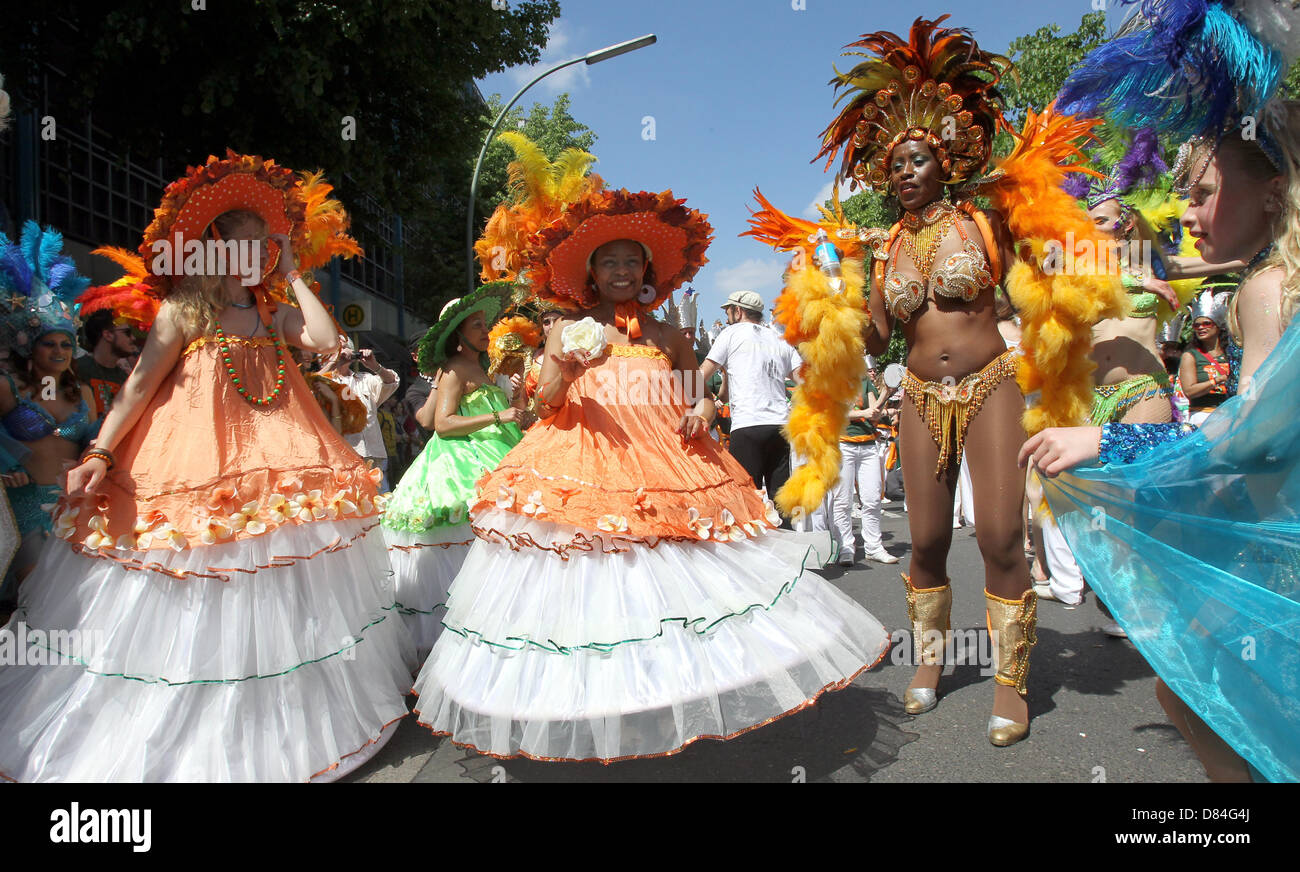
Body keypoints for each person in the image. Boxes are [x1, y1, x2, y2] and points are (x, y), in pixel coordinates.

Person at [411, 184, 889, 761]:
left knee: (677, 578)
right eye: (609, 261)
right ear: (591, 270)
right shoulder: (567, 329)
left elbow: (704, 396)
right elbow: (547, 404)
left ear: (647, 268)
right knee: (598, 582)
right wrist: (565, 362)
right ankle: (601, 701)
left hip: (669, 461)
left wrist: (700, 411)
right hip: (584, 460)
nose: (620, 270)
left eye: (630, 260)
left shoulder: (668, 335)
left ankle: (671, 691)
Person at [0, 154, 412, 782]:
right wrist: (102, 455)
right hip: (188, 473)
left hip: (281, 474)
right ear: (212, 249)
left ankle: (278, 732)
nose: (257, 257)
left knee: (278, 600)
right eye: (244, 245)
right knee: (191, 599)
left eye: (265, 247)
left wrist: (296, 271)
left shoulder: (274, 313)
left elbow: (328, 343)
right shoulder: (183, 313)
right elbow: (136, 391)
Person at [784, 16, 1128, 745]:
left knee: (1002, 535)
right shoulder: (880, 252)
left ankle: (1010, 681)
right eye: (894, 163)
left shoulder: (984, 223)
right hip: (913, 394)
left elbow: (1045, 274)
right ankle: (929, 662)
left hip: (989, 384)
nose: (904, 172)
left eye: (916, 159)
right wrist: (830, 309)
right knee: (929, 538)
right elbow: (878, 336)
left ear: (944, 161)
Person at [1039, 0, 1300, 779]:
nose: (1184, 214)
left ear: (1272, 192)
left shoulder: (1267, 286)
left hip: (1264, 522)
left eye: (1202, 192)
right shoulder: (1269, 274)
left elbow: (1250, 437)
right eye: (1181, 194)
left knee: (1202, 690)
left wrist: (1112, 444)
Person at [381, 286, 526, 658]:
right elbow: (442, 424)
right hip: (460, 465)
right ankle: (465, 639)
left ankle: (494, 627)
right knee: (467, 547)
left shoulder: (481, 367)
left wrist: (519, 403)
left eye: (484, 324)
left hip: (495, 454)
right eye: (475, 324)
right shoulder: (456, 368)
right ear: (457, 334)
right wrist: (499, 414)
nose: (484, 330)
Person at [0, 223, 97, 601]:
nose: (59, 352)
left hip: (71, 512)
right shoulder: (8, 387)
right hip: (22, 513)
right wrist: (5, 464)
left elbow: (93, 445)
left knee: (78, 601)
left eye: (66, 345)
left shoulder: (83, 393)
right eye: (49, 344)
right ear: (31, 349)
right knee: (36, 597)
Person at [699, 291, 801, 513]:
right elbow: (805, 378)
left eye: (728, 311)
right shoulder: (778, 338)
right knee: (780, 500)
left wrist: (670, 388)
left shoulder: (731, 333)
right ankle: (787, 544)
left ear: (739, 311)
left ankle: (754, 545)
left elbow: (701, 375)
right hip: (780, 426)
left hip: (748, 425)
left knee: (747, 500)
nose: (727, 317)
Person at [815, 370, 899, 567]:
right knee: (842, 501)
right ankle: (845, 547)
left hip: (868, 445)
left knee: (872, 498)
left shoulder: (864, 381)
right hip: (842, 444)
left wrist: (883, 400)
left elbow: (874, 415)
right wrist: (863, 413)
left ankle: (874, 547)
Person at [320, 339, 399, 489]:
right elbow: (307, 388)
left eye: (345, 348)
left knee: (375, 503)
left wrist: (375, 366)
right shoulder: (324, 380)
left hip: (371, 455)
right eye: (338, 348)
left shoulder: (365, 379)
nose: (343, 352)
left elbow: (392, 382)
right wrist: (333, 363)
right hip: (339, 457)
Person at [1180, 292, 1233, 425]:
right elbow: (1189, 391)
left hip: (1231, 415)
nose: (1201, 327)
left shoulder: (1231, 353)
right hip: (1202, 416)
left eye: (1206, 323)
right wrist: (1216, 381)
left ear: (1218, 326)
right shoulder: (1190, 355)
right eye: (1196, 325)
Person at [74, 310, 139, 418]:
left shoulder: (126, 379)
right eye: (127, 333)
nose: (133, 338)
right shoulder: (77, 369)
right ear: (108, 335)